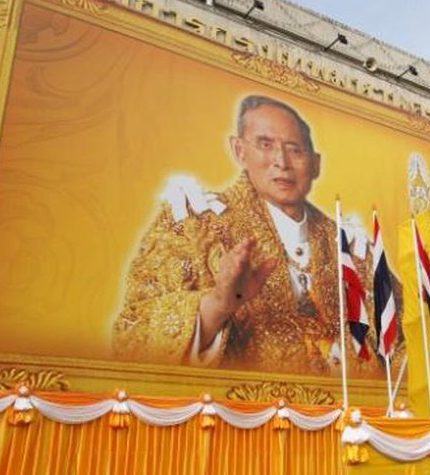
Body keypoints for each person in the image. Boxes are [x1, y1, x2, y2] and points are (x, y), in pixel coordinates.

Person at [114, 95, 377, 375]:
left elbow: (401, 340)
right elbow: (131, 332)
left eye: (295, 150)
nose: (282, 161)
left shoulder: (350, 246)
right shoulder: (192, 223)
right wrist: (216, 306)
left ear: (315, 164)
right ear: (239, 150)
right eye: (265, 145)